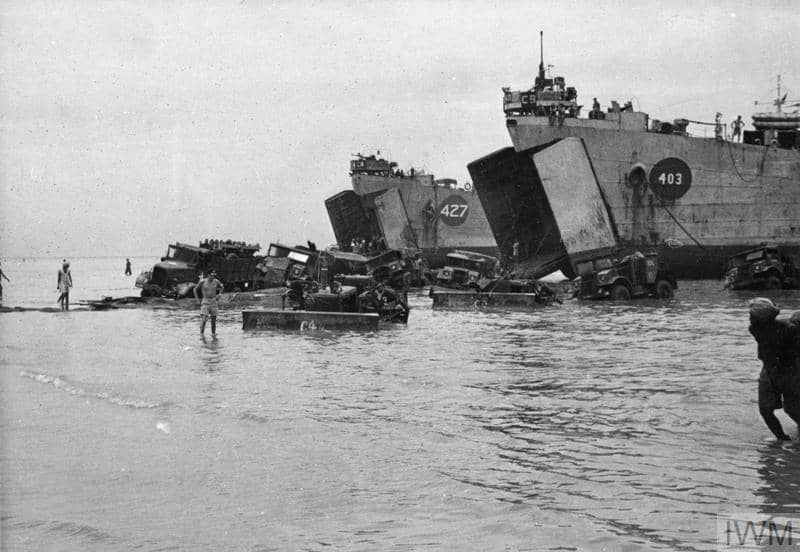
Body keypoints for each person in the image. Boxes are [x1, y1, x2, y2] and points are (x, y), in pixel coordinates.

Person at [748, 298, 800, 440]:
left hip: (790, 370)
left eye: (752, 316)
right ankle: (781, 438)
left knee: (792, 409)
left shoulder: (789, 329)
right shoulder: (754, 329)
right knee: (765, 409)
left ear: (763, 319)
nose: (750, 319)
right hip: (769, 370)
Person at [194, 270, 224, 336]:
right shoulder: (203, 282)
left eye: (214, 275)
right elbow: (195, 289)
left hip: (213, 301)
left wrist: (219, 294)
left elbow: (222, 286)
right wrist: (197, 300)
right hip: (205, 301)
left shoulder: (216, 281)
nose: (213, 276)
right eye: (211, 275)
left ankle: (213, 334)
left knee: (213, 321)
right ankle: (201, 334)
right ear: (208, 275)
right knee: (204, 319)